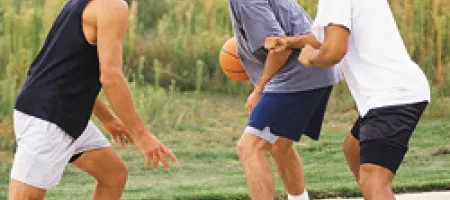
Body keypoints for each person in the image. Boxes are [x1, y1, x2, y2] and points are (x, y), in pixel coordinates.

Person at [8, 0, 177, 199]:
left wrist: (108, 119)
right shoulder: (112, 6)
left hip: (66, 114)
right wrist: (142, 136)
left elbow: (71, 71)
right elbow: (111, 78)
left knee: (114, 175)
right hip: (47, 117)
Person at [268, 0, 431, 199]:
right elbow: (326, 39)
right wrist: (290, 42)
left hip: (392, 95)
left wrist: (311, 57)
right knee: (353, 149)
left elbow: (333, 52)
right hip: (393, 92)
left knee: (373, 179)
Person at [227, 0, 341, 199]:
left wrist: (259, 89)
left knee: (250, 147)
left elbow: (279, 49)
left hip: (298, 75)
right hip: (316, 71)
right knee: (280, 145)